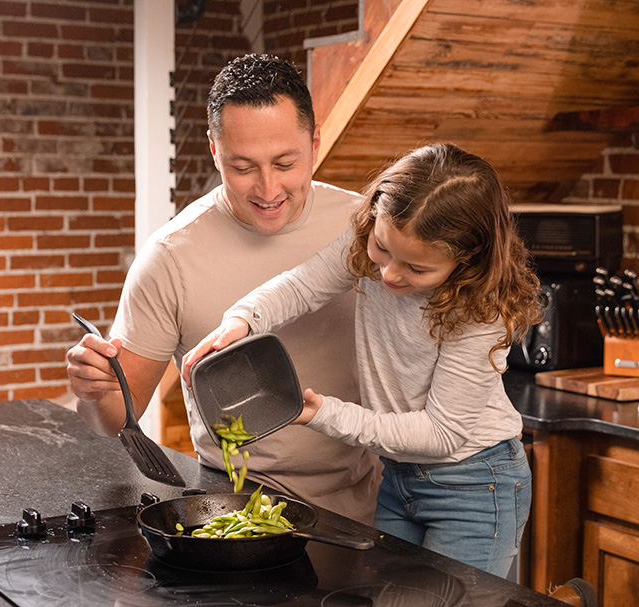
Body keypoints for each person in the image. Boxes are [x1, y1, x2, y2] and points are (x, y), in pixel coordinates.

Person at [182, 143, 542, 577]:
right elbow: (300, 287)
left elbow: (442, 434)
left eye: (417, 268)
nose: (389, 273)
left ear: (467, 261)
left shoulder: (480, 313)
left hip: (476, 484)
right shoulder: (365, 251)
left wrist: (322, 414)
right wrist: (240, 320)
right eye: (381, 248)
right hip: (398, 475)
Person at [65, 53, 382, 524]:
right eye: (242, 166)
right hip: (237, 505)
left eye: (286, 162)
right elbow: (117, 418)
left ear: (314, 143)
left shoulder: (369, 229)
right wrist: (92, 392)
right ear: (214, 150)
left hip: (375, 503)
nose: (268, 188)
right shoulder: (171, 256)